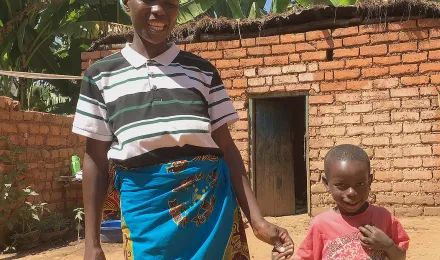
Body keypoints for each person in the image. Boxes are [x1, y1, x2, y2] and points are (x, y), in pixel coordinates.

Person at [72, 0, 294, 259]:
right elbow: (95, 159)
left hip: (211, 213)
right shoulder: (100, 76)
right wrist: (92, 244)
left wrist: (257, 221)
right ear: (125, 2)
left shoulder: (202, 71)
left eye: (170, 2)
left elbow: (227, 149)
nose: (159, 10)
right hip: (146, 216)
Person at [272, 144, 409, 260]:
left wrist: (388, 245)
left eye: (360, 183)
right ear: (326, 183)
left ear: (370, 180)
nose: (351, 193)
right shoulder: (321, 225)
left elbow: (400, 256)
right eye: (341, 185)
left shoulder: (383, 218)